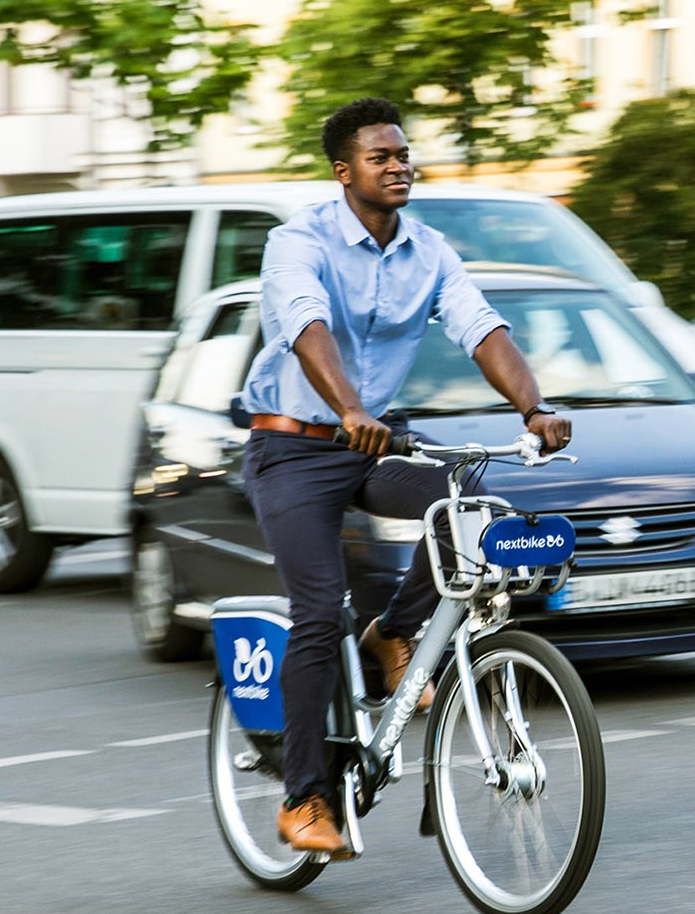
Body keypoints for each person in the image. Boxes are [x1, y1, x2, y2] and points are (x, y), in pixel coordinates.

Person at [238, 97, 572, 856]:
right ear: (343, 170)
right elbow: (304, 322)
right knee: (318, 611)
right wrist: (350, 404)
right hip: (291, 445)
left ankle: (394, 629)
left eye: (403, 153)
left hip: (369, 441)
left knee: (468, 509)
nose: (399, 166)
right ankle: (303, 798)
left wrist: (534, 406)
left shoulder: (428, 249)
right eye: (380, 157)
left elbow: (480, 326)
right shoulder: (299, 241)